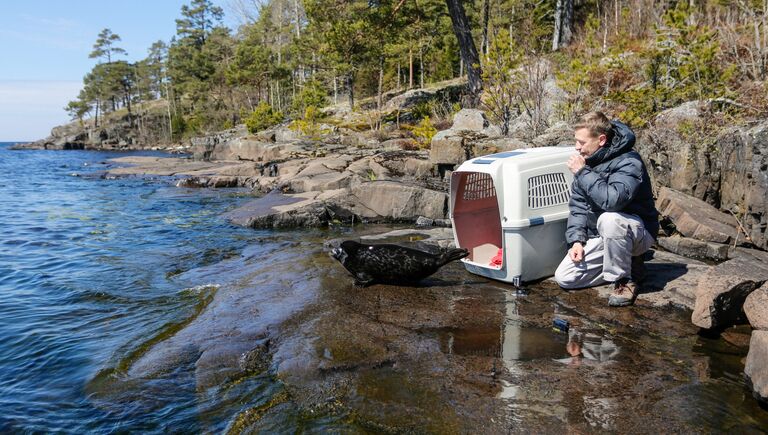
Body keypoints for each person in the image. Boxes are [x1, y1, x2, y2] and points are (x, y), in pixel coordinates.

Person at [554, 112, 659, 306]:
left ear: (601, 139)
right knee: (565, 277)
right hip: (604, 236)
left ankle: (625, 280)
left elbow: (613, 201)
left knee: (610, 219)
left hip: (637, 232)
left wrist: (583, 172)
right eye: (576, 141)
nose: (577, 147)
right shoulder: (588, 162)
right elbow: (578, 206)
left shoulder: (629, 161)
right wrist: (576, 240)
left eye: (582, 142)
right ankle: (626, 265)